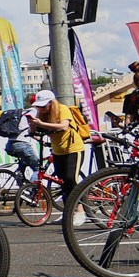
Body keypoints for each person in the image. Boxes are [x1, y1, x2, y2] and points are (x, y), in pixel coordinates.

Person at [27, 90, 89, 222]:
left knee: (71, 179)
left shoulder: (62, 109)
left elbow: (64, 126)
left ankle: (81, 211)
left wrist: (41, 124)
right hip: (57, 151)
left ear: (51, 103)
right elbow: (34, 132)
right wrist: (32, 125)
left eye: (44, 106)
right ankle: (68, 213)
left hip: (73, 149)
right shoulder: (41, 114)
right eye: (39, 106)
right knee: (63, 183)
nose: (41, 109)